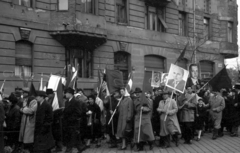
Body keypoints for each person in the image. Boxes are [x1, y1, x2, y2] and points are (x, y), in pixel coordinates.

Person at [62, 87, 86, 153]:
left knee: (73, 136)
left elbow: (78, 112)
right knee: (73, 137)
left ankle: (69, 149)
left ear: (70, 94)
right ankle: (80, 148)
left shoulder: (76, 101)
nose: (65, 94)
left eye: (66, 93)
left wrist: (72, 118)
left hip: (73, 123)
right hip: (67, 122)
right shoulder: (67, 102)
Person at [19, 88, 38, 153]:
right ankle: (25, 149)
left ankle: (30, 150)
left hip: (30, 121)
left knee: (29, 138)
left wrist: (23, 109)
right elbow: (22, 109)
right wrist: (24, 109)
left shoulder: (34, 101)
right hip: (25, 121)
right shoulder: (25, 100)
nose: (23, 94)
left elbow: (31, 111)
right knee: (24, 137)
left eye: (24, 92)